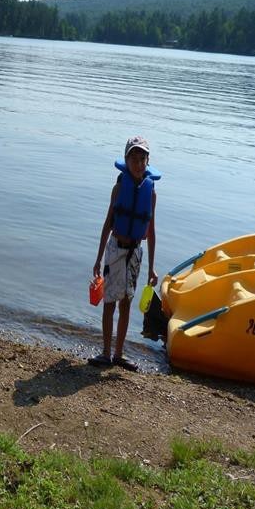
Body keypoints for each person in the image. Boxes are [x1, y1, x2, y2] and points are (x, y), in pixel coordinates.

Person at [90, 136, 158, 371]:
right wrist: (98, 258)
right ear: (126, 160)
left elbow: (152, 230)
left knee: (126, 302)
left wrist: (151, 267)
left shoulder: (151, 194)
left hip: (135, 253)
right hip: (115, 249)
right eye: (134, 159)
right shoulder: (119, 188)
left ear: (148, 162)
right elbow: (108, 223)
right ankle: (106, 353)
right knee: (109, 301)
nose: (138, 164)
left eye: (142, 159)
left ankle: (119, 354)